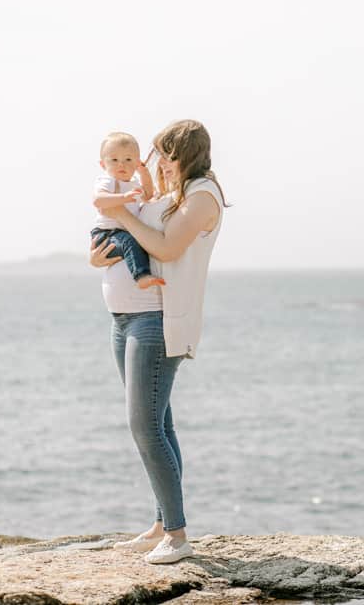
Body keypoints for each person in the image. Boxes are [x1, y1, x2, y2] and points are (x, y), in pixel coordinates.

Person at [90, 120, 229, 564]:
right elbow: (123, 245)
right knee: (159, 424)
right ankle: (160, 523)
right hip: (125, 318)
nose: (154, 164)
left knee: (145, 427)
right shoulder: (174, 195)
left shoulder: (202, 195)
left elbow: (166, 250)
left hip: (158, 319)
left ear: (181, 154)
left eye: (162, 156)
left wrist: (122, 216)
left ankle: (177, 534)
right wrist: (102, 250)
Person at [91, 131, 165, 290]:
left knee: (132, 240)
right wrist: (123, 197)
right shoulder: (108, 180)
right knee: (129, 240)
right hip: (106, 234)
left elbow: (147, 195)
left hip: (121, 234)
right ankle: (141, 276)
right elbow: (98, 200)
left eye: (128, 160)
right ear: (103, 165)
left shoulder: (133, 183)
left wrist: (144, 174)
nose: (121, 164)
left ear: (137, 163)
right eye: (114, 160)